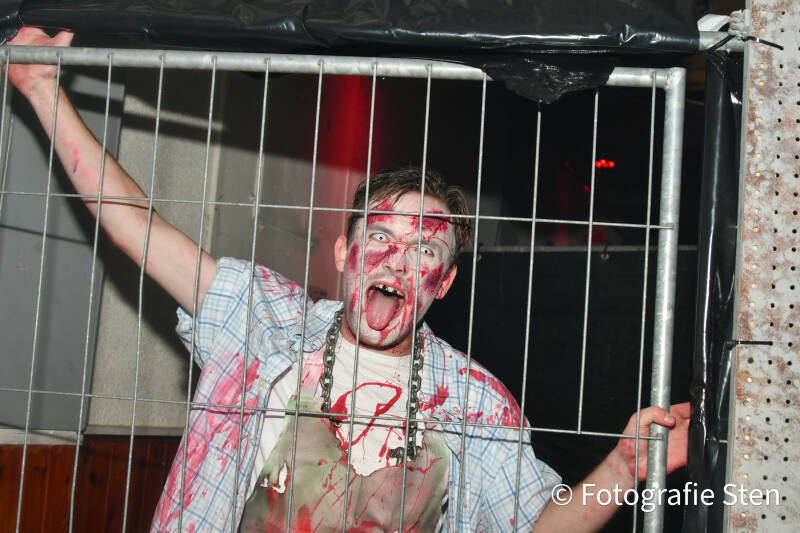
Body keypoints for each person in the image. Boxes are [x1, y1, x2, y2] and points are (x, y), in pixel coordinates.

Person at [5, 27, 690, 532]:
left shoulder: (476, 403)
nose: (396, 260)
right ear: (342, 252)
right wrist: (41, 89)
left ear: (445, 283)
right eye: (381, 238)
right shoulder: (262, 320)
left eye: (424, 249)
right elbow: (135, 226)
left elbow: (538, 526)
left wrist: (622, 469)